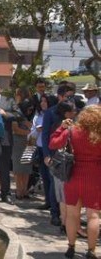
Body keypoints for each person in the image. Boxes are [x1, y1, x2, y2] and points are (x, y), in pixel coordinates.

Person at [50, 105, 101, 259]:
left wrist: (61, 128)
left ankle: (71, 247)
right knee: (94, 216)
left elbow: (53, 143)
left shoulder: (72, 131)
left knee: (72, 215)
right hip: (95, 176)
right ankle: (91, 251)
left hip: (73, 175)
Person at [42, 84, 76, 226]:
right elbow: (45, 136)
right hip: (55, 153)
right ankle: (55, 214)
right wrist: (46, 154)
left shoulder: (74, 112)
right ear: (60, 96)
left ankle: (68, 217)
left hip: (71, 155)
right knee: (54, 185)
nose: (70, 99)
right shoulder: (50, 113)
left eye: (71, 96)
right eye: (67, 96)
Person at [11, 87, 34, 200]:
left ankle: (23, 190)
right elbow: (15, 128)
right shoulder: (16, 110)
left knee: (26, 166)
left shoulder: (28, 110)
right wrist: (29, 132)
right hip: (20, 139)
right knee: (19, 166)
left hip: (28, 140)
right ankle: (19, 190)